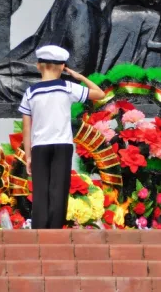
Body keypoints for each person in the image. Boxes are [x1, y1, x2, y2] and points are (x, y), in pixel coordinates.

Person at [18, 45, 106, 229]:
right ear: (62, 67)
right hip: (62, 145)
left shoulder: (31, 92)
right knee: (58, 191)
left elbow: (27, 127)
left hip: (39, 146)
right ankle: (55, 233)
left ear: (38, 66)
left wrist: (28, 155)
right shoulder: (67, 87)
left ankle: (39, 234)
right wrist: (79, 77)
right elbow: (100, 94)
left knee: (40, 191)